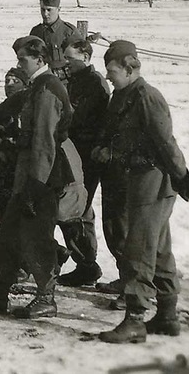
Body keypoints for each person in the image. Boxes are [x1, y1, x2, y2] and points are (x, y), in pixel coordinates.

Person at [98, 40, 189, 344]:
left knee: (139, 248)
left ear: (130, 68)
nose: (108, 76)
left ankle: (135, 320)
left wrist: (184, 178)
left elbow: (165, 143)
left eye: (112, 71)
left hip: (154, 180)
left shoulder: (147, 97)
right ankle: (168, 317)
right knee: (157, 248)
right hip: (137, 178)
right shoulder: (123, 96)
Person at [0, 36, 76, 319]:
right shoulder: (36, 87)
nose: (19, 65)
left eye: (23, 60)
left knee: (35, 237)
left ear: (40, 60)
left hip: (41, 176)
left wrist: (34, 188)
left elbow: (44, 143)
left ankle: (46, 298)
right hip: (26, 173)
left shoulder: (47, 90)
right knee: (8, 235)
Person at [57, 37, 112, 287]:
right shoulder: (77, 79)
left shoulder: (95, 84)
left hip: (86, 156)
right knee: (76, 208)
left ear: (86, 58)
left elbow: (77, 118)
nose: (66, 63)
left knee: (78, 209)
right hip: (74, 153)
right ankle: (85, 262)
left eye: (70, 58)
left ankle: (87, 264)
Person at [29, 0, 78, 82]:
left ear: (58, 9)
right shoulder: (36, 32)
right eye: (42, 10)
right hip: (40, 82)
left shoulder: (68, 32)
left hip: (64, 84)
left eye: (49, 10)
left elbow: (78, 63)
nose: (45, 14)